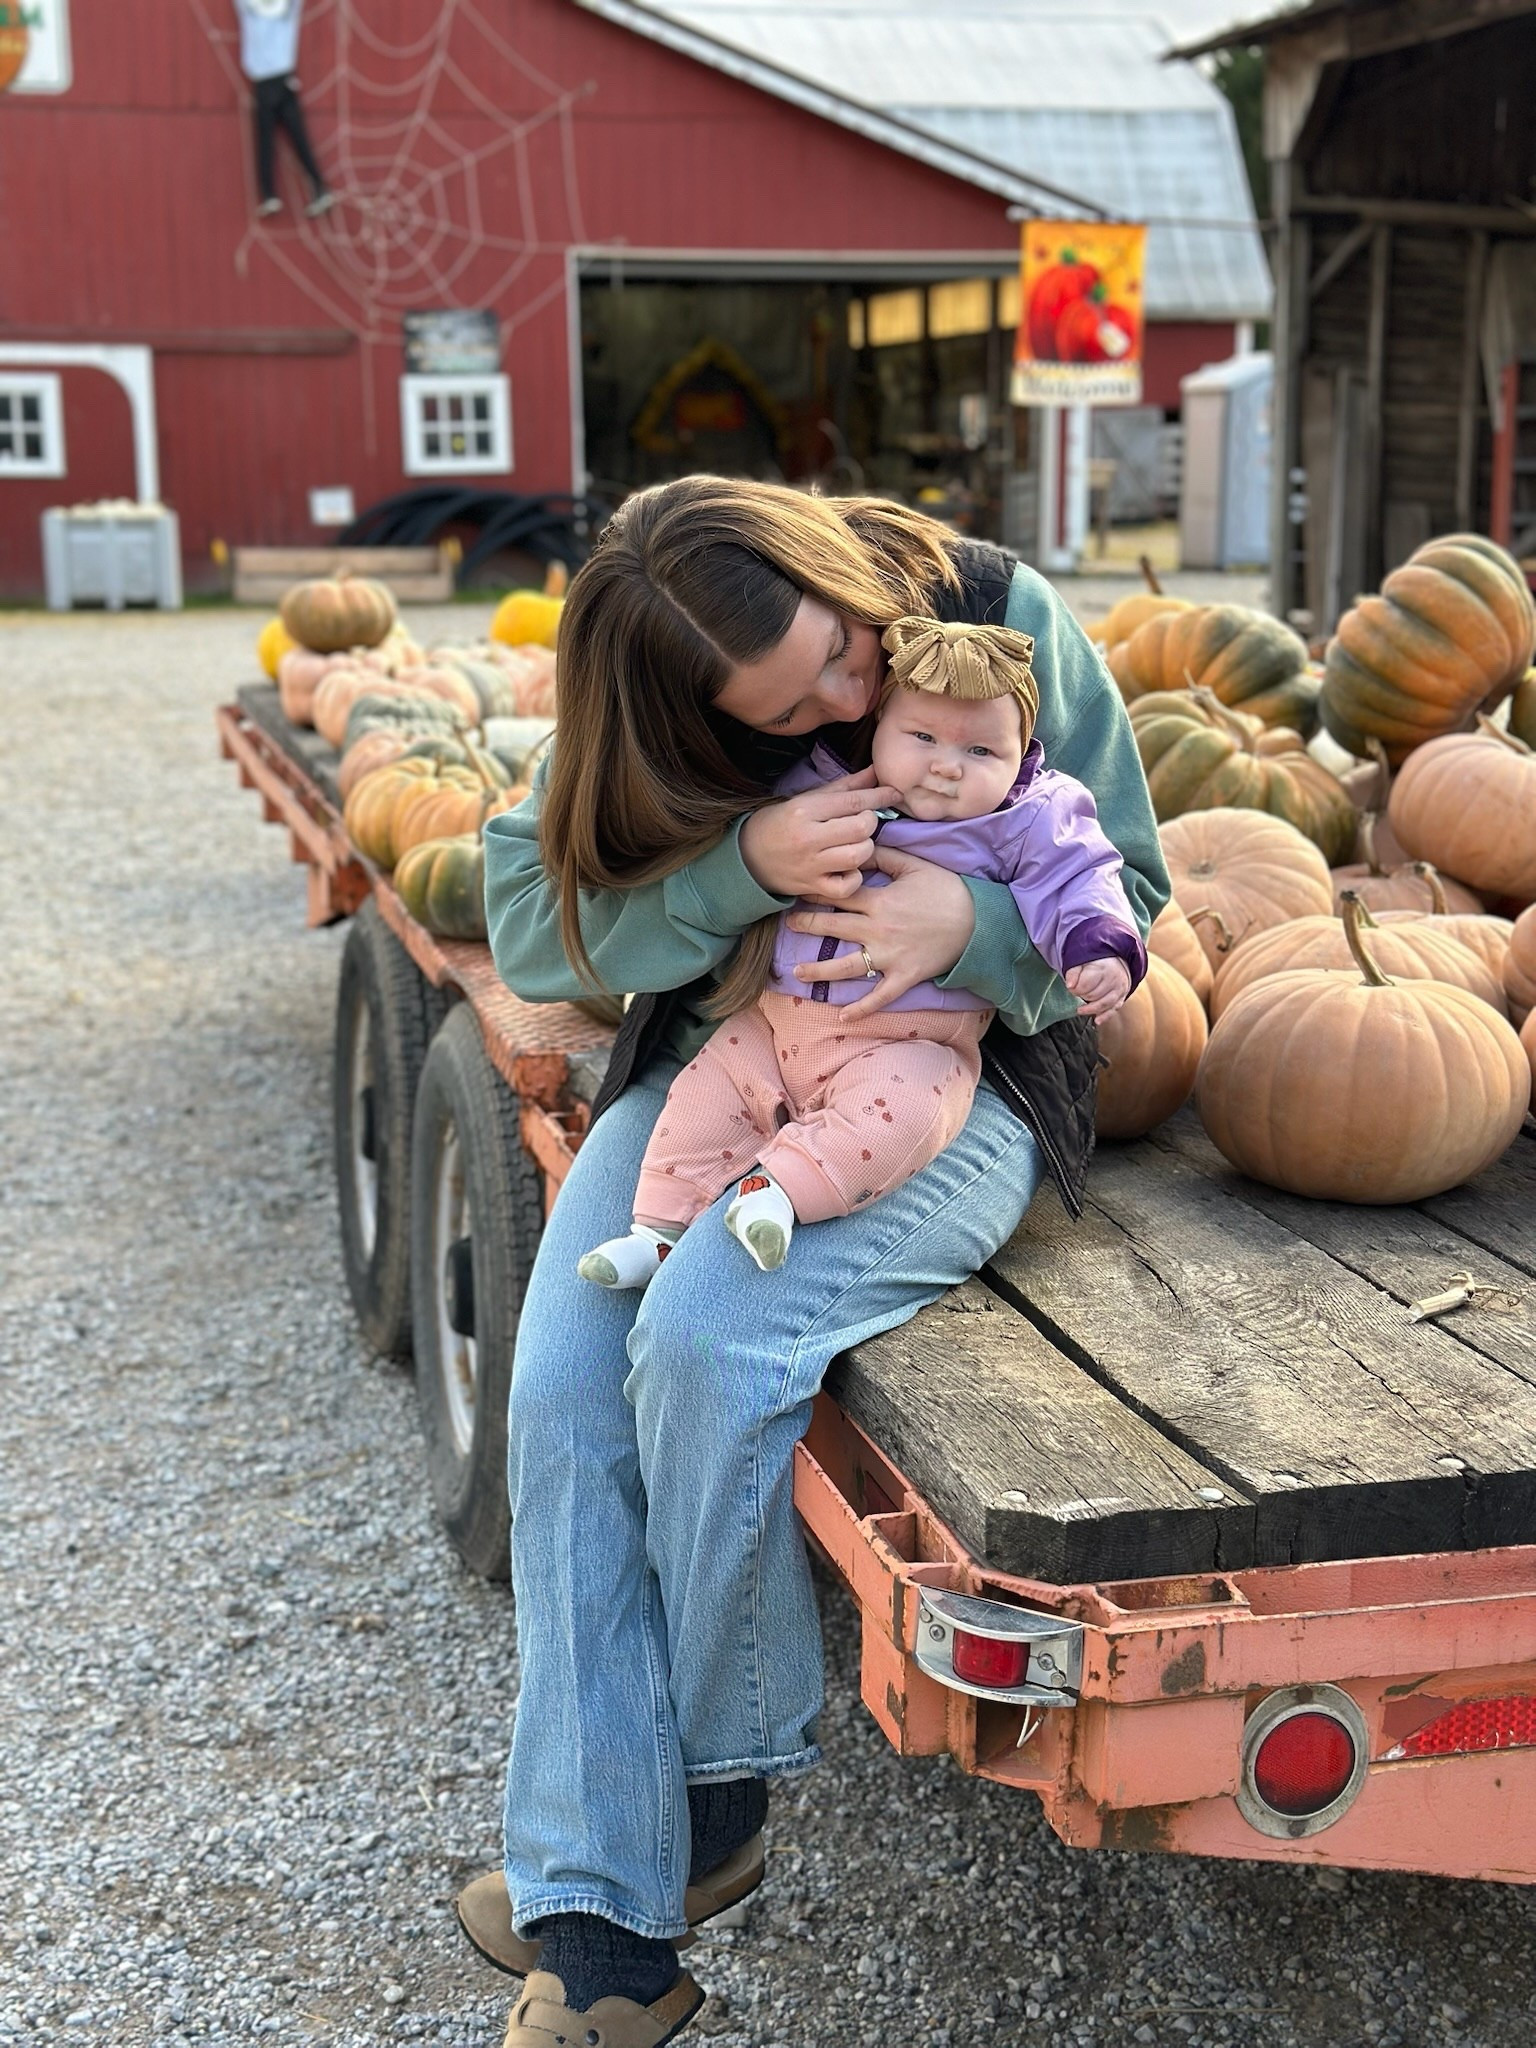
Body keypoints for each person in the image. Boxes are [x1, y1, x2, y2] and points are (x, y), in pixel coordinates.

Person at [467, 477, 1169, 2047]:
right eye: (793, 708)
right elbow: (523, 918)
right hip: (737, 1060)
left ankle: (711, 1797)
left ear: (838, 567)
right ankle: (601, 1918)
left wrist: (968, 929)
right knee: (568, 1387)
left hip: (955, 1090)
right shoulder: (665, 706)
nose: (852, 702)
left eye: (848, 655)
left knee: (711, 1331)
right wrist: (743, 868)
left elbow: (1144, 885)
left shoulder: (997, 607)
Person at [577, 613, 1145, 1291]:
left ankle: (779, 1190)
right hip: (775, 1019)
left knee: (906, 1115)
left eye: (980, 753)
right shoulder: (822, 779)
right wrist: (750, 848)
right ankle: (657, 1233)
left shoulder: (1030, 817)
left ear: (1024, 751)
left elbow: (1080, 876)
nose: (944, 765)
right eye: (923, 737)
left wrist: (1098, 945)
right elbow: (702, 833)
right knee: (703, 1098)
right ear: (879, 727)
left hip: (905, 1041)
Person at [233, 0, 334, 219]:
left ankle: (270, 195)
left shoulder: (257, 11)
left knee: (268, 141)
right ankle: (314, 189)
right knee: (295, 139)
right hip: (283, 82)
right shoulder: (282, 10)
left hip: (267, 83)